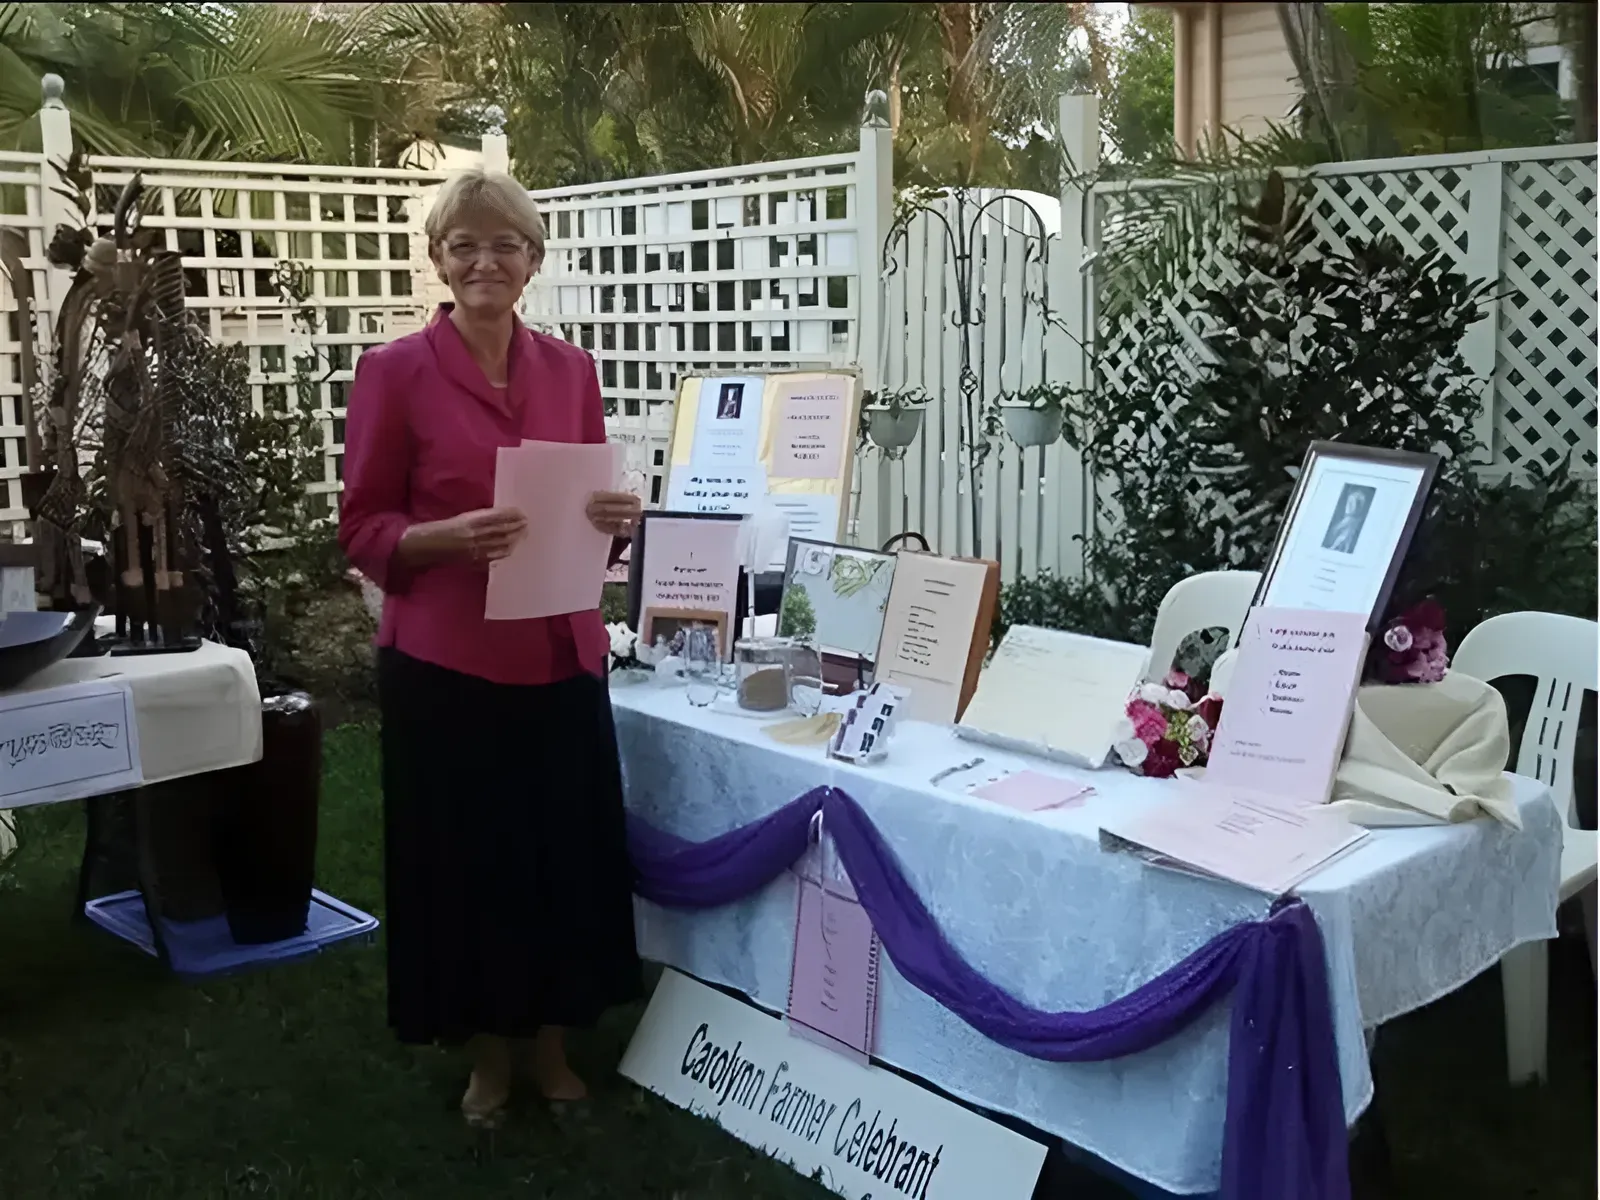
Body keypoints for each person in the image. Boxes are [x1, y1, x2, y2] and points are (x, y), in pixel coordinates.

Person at [338, 168, 644, 1127]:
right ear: (438, 258)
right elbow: (362, 530)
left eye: (504, 244)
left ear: (532, 262)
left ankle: (552, 1046)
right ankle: (485, 1059)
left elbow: (593, 519)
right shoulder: (396, 371)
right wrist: (439, 539)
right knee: (468, 866)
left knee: (560, 857)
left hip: (559, 652)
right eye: (464, 243)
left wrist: (617, 519)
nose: (485, 260)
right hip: (449, 664)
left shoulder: (572, 370)